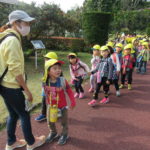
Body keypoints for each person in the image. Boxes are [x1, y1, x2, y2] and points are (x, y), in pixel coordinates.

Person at [0, 10, 45, 150]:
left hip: (4, 85)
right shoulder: (12, 40)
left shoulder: (6, 37)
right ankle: (31, 142)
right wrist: (27, 90)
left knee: (13, 114)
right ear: (15, 23)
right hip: (11, 86)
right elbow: (15, 69)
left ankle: (11, 142)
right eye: (25, 23)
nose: (28, 25)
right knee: (24, 114)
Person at [42, 59, 76, 145]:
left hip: (62, 106)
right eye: (55, 68)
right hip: (51, 106)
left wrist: (73, 101)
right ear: (48, 71)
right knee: (50, 121)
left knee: (64, 122)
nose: (58, 70)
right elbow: (45, 94)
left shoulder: (62, 80)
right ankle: (53, 132)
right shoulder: (45, 82)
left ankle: (64, 134)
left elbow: (69, 91)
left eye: (59, 68)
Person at [35, 52, 58, 122]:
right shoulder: (45, 69)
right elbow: (43, 79)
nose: (45, 61)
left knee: (53, 102)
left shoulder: (56, 70)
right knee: (44, 101)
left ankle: (56, 112)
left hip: (52, 90)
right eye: (45, 59)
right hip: (45, 89)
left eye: (47, 59)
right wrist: (43, 87)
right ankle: (43, 114)